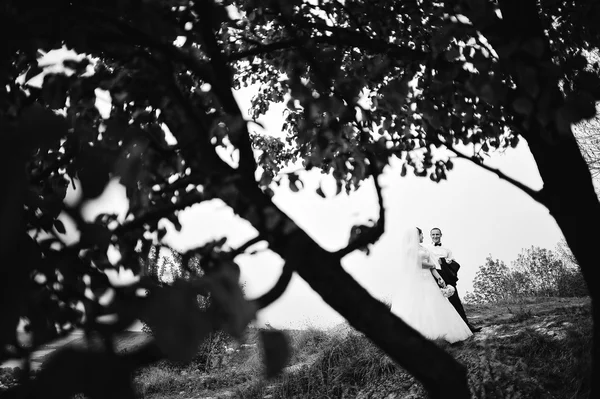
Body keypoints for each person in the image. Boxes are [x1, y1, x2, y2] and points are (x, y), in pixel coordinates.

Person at [390, 227, 473, 344]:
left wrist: (440, 278)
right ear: (416, 236)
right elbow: (417, 263)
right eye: (421, 235)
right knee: (418, 305)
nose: (423, 237)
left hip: (429, 279)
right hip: (417, 280)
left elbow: (432, 265)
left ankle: (443, 331)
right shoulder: (409, 249)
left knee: (435, 303)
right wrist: (431, 265)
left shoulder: (424, 248)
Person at [428, 227, 482, 333]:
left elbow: (454, 263)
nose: (435, 236)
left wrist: (448, 261)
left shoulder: (447, 249)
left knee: (455, 301)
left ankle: (467, 326)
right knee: (437, 303)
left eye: (437, 234)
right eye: (433, 234)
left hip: (447, 275)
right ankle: (441, 330)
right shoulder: (427, 248)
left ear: (441, 235)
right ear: (430, 236)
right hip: (434, 275)